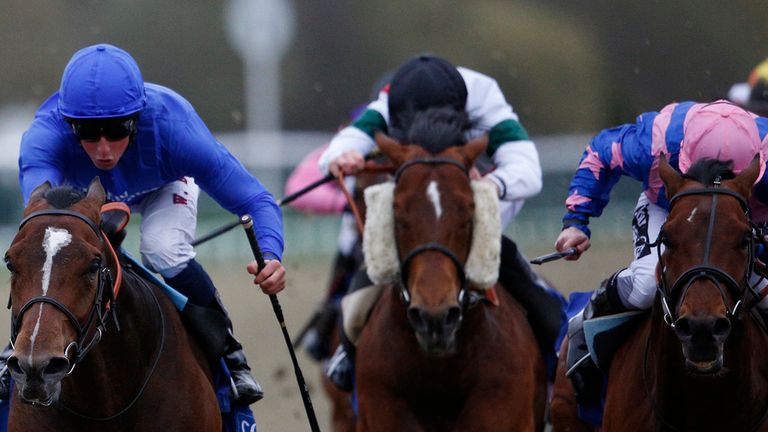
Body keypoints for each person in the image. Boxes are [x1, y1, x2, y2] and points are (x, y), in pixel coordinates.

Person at [14, 43, 286, 405]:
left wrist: (270, 253)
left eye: (116, 129)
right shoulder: (45, 138)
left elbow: (255, 200)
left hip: (164, 186)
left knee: (162, 249)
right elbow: (38, 229)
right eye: (89, 133)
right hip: (80, 199)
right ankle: (14, 349)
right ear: (69, 124)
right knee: (52, 254)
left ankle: (228, 352)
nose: (104, 149)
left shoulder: (176, 130)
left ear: (137, 118)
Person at [318, 53, 566, 391]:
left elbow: (528, 170)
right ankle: (348, 355)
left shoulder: (484, 97)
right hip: (417, 211)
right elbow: (340, 148)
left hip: (471, 205)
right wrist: (341, 156)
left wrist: (486, 186)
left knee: (540, 305)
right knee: (365, 287)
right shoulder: (391, 99)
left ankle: (561, 368)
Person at [554, 100, 768, 406]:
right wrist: (576, 221)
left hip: (745, 216)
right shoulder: (653, 141)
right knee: (644, 285)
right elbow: (599, 152)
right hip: (670, 207)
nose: (714, 186)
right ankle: (588, 321)